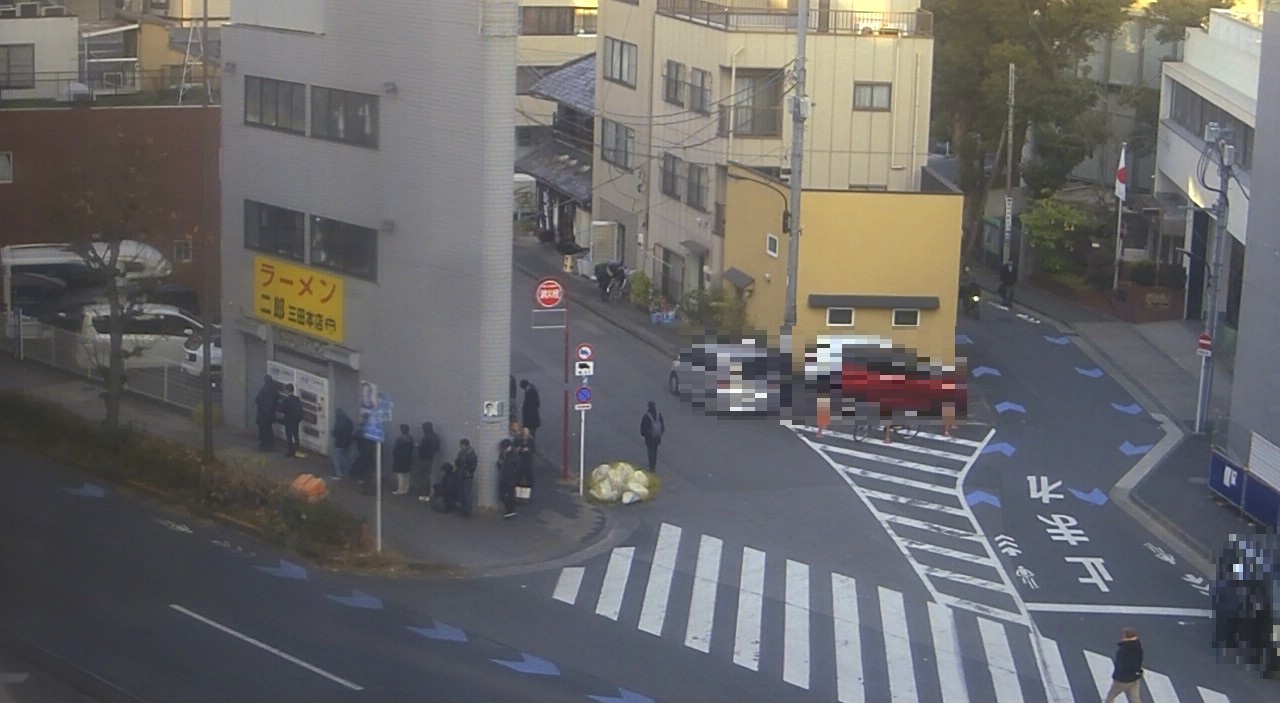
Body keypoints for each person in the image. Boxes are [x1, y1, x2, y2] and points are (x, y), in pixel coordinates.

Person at [1102, 627, 1144, 703]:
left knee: (1111, 695)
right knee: (1135, 697)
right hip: (1135, 677)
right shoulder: (1138, 647)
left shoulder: (1123, 651)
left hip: (1123, 679)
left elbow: (1120, 666)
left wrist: (1116, 677)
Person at [416, 421, 440, 501]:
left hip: (423, 458)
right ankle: (427, 492)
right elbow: (436, 448)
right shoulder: (434, 436)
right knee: (427, 475)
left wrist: (418, 446)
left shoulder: (426, 437)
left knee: (422, 476)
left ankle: (424, 493)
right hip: (430, 458)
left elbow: (422, 447)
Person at [253, 375, 278, 451]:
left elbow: (259, 399)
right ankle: (269, 443)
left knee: (263, 428)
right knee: (268, 428)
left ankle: (265, 443)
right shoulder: (273, 390)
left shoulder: (265, 389)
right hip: (269, 414)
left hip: (263, 413)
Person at [639, 400, 665, 472]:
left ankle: (651, 467)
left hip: (650, 438)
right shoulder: (658, 415)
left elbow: (643, 427)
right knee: (655, 451)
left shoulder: (647, 416)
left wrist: (644, 434)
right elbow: (662, 425)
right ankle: (654, 465)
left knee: (650, 452)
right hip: (657, 437)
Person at [455, 438, 477, 518]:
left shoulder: (472, 455)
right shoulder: (461, 453)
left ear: (467, 445)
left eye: (462, 446)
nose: (461, 448)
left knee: (467, 494)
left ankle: (468, 510)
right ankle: (463, 509)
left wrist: (463, 464)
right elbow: (457, 461)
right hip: (461, 475)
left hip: (467, 476)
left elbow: (472, 467)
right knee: (462, 493)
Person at [497, 439, 520, 519]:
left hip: (510, 479)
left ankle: (510, 510)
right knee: (503, 494)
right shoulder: (504, 454)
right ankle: (510, 509)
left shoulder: (513, 456)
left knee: (509, 495)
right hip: (505, 478)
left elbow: (516, 468)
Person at [330, 408, 355, 479]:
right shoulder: (349, 420)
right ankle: (347, 473)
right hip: (348, 442)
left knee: (336, 459)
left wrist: (331, 432)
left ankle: (339, 474)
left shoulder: (338, 422)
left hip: (339, 443)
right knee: (346, 458)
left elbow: (335, 433)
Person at [281, 383, 304, 458]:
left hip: (288, 420)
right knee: (296, 435)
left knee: (289, 436)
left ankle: (290, 452)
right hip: (296, 420)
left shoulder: (286, 400)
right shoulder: (297, 399)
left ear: (287, 390)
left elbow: (284, 410)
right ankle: (296, 451)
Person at [391, 423, 414, 495]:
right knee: (407, 474)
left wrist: (394, 455)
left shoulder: (399, 439)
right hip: (408, 458)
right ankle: (406, 489)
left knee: (400, 475)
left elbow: (395, 450)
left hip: (400, 459)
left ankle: (400, 490)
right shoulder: (410, 438)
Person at [516, 425, 536, 490]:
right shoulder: (518, 440)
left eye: (526, 434)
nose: (525, 435)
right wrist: (520, 449)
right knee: (519, 475)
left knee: (529, 475)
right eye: (524, 434)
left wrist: (528, 450)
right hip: (520, 461)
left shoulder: (531, 440)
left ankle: (530, 488)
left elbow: (533, 450)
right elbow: (516, 449)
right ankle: (518, 488)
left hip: (528, 461)